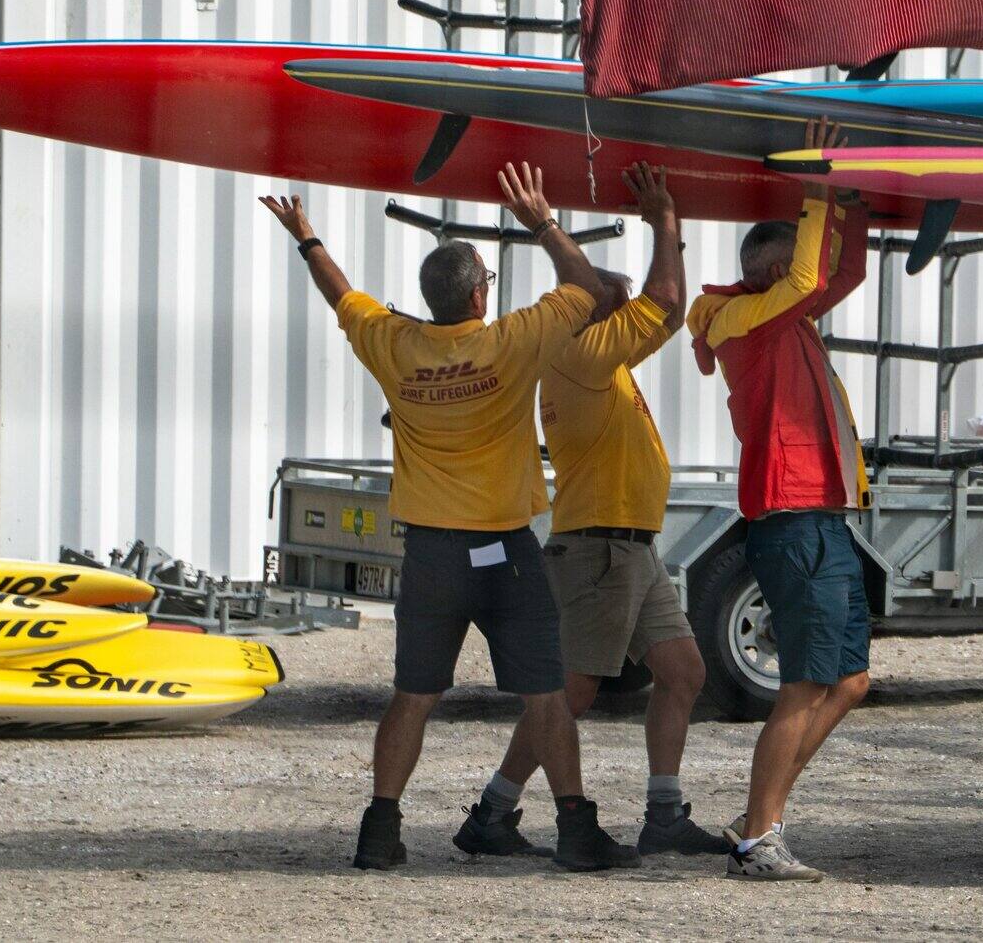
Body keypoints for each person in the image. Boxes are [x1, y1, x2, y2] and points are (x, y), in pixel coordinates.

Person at [261, 164, 640, 875]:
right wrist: (542, 221)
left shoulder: (395, 344)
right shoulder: (514, 339)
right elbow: (592, 290)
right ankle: (576, 830)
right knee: (547, 693)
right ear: (478, 293)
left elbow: (341, 297)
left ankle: (380, 829)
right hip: (505, 548)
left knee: (413, 695)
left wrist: (307, 237)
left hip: (431, 557)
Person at [488, 162, 728, 857]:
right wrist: (665, 219)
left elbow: (636, 297)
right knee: (573, 691)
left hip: (631, 545)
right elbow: (665, 301)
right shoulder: (581, 354)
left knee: (682, 671)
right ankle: (493, 811)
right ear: (593, 309)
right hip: (598, 548)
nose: (628, 313)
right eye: (614, 303)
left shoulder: (600, 356)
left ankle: (663, 813)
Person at [685, 119, 873, 883]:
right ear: (762, 267)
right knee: (802, 680)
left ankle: (757, 814)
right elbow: (806, 278)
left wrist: (854, 207)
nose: (807, 270)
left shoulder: (783, 313)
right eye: (791, 256)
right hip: (790, 518)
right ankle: (759, 840)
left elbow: (838, 278)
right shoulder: (741, 320)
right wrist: (819, 182)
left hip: (824, 516)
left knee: (850, 680)